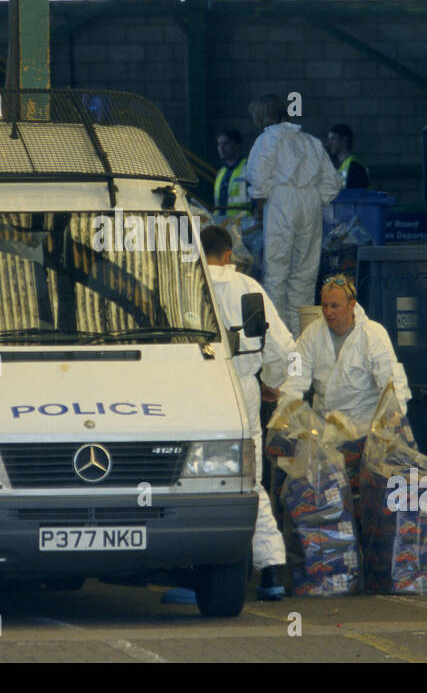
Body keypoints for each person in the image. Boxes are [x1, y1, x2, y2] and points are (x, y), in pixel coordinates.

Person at [163, 225, 294, 605]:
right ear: (228, 253)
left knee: (194, 480)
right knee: (248, 480)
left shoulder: (183, 284)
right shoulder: (248, 288)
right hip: (243, 390)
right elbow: (283, 350)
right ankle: (271, 573)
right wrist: (269, 381)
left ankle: (196, 577)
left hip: (198, 391)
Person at [245, 94, 340, 338]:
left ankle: (279, 338)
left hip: (281, 202)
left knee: (276, 273)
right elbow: (332, 181)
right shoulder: (310, 141)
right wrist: (313, 198)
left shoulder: (267, 141)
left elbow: (257, 177)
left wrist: (262, 198)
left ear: (261, 116)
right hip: (310, 202)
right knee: (305, 273)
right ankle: (303, 338)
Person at [281, 274, 411, 432]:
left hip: (363, 432)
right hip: (323, 431)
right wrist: (283, 420)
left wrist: (393, 428)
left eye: (335, 306)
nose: (328, 312)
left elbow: (393, 385)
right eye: (324, 305)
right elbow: (293, 379)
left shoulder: (374, 335)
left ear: (351, 305)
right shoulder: (311, 334)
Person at [212, 129, 252, 222]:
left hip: (244, 223)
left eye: (225, 144)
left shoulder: (248, 168)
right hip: (222, 223)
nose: (221, 148)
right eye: (219, 144)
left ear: (237, 145)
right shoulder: (221, 172)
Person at [326, 123, 370, 190]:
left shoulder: (355, 165)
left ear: (344, 140)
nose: (328, 143)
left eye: (333, 139)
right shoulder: (341, 167)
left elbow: (359, 196)